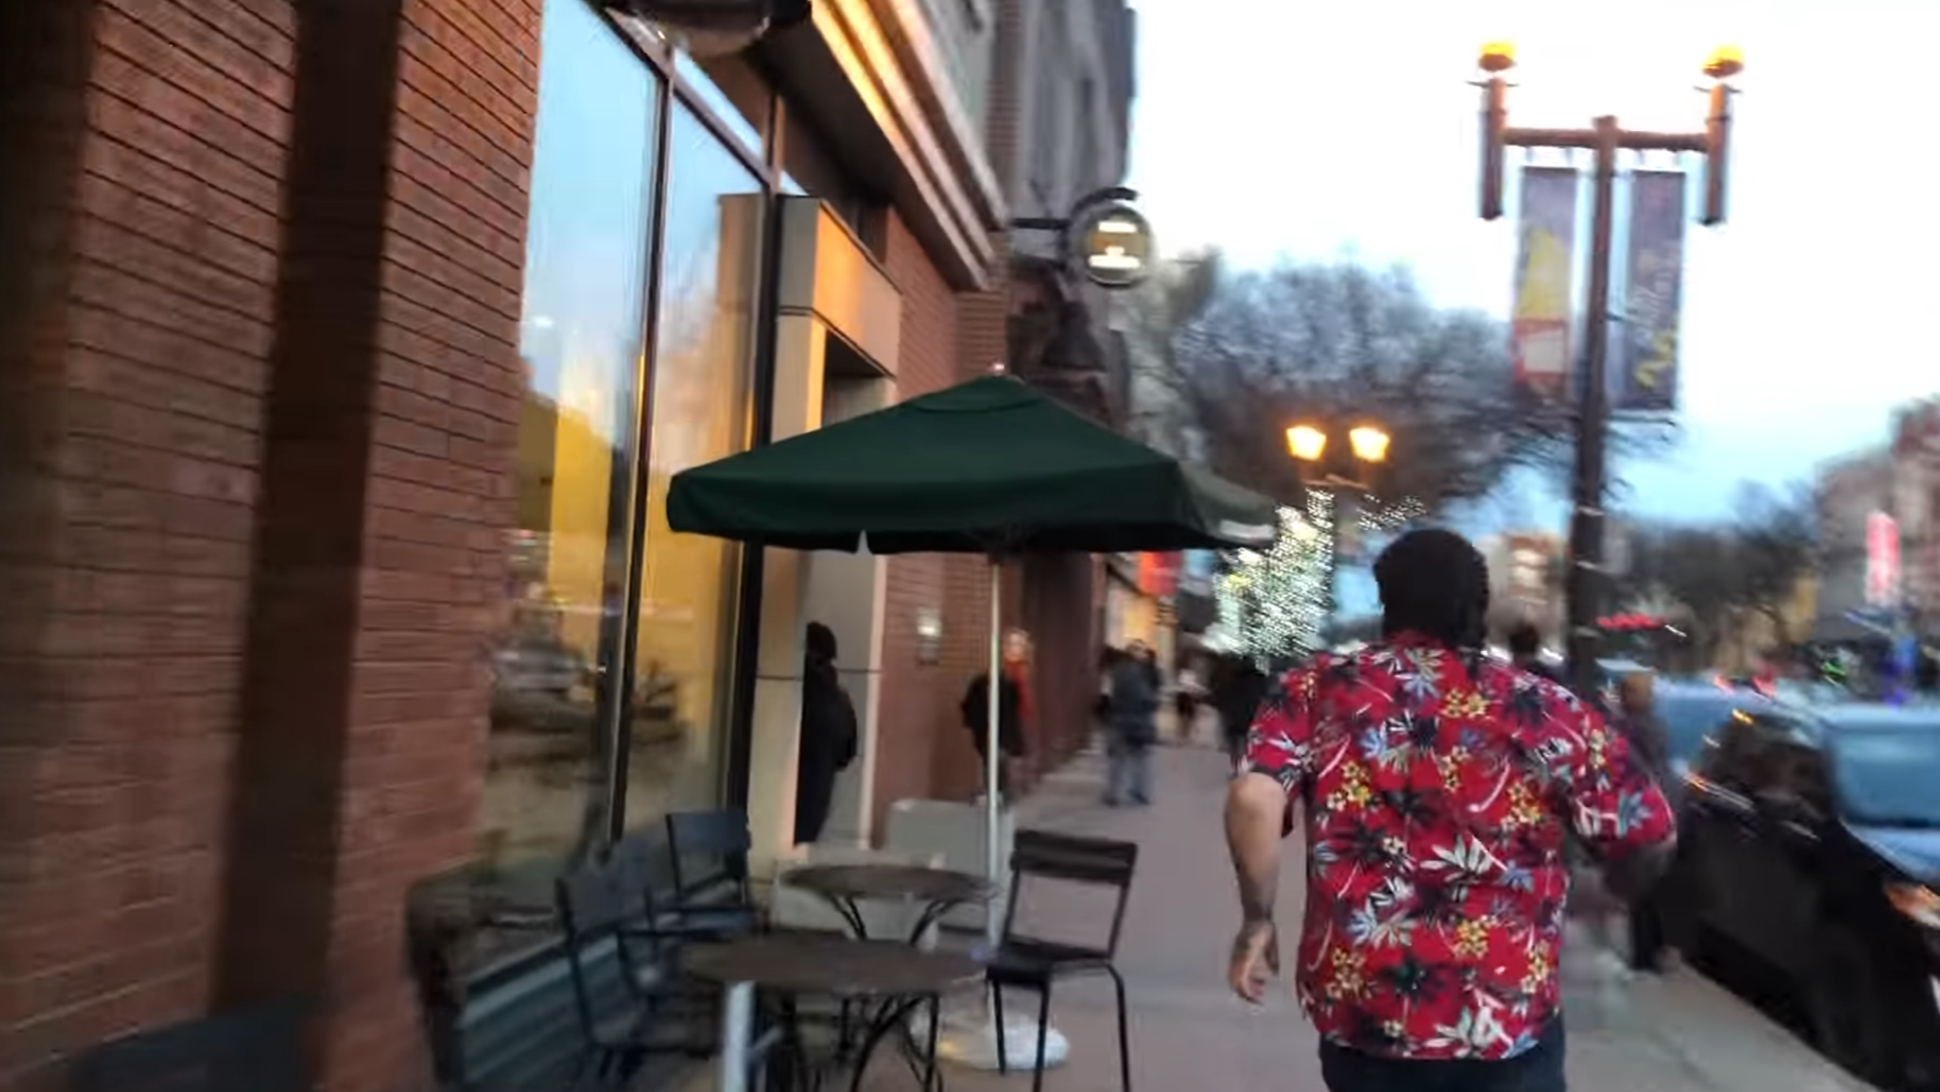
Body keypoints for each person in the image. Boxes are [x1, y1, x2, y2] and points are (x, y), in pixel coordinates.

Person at [1223, 528, 1676, 1092]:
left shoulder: (1314, 690)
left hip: (1364, 1011)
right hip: (1502, 1015)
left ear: (1386, 602)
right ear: (1478, 610)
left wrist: (1257, 919)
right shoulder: (1543, 708)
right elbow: (1651, 832)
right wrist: (1613, 891)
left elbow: (1252, 799)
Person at [1610, 670, 1677, 973]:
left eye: (1624, 692)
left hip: (1641, 809)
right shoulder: (1657, 725)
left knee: (1640, 885)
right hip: (1662, 807)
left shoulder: (1627, 727)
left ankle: (1645, 955)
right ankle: (1657, 948)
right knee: (1653, 883)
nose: (1620, 697)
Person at [794, 621, 858, 845]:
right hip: (819, 798)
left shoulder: (796, 693)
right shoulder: (840, 699)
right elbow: (847, 754)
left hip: (782, 799)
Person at [961, 628, 1031, 799]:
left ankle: (999, 799)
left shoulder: (1021, 677)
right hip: (996, 739)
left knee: (1006, 787)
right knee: (998, 781)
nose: (1015, 649)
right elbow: (972, 706)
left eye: (1020, 645)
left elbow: (1022, 711)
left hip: (1011, 738)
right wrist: (983, 735)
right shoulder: (992, 679)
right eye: (1011, 644)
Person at [1102, 639, 1160, 805]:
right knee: (1140, 759)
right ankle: (1140, 792)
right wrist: (1153, 704)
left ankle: (1113, 793)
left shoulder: (1115, 671)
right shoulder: (1140, 673)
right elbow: (1146, 698)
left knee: (1117, 759)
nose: (1144, 655)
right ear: (1136, 655)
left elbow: (1107, 695)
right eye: (1141, 652)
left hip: (1118, 720)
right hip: (1138, 721)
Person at [1212, 654, 1270, 768]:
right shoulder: (1260, 678)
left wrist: (1223, 708)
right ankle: (1246, 766)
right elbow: (1266, 695)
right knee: (1250, 742)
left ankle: (1236, 765)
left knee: (1234, 743)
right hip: (1253, 715)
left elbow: (1225, 695)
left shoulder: (1233, 678)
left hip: (1235, 716)